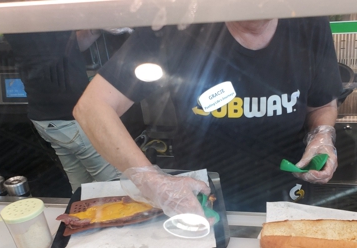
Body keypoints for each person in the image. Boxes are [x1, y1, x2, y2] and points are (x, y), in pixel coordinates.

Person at [73, 17, 342, 216]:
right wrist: (152, 183)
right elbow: (92, 107)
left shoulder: (309, 20)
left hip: (286, 193)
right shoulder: (180, 24)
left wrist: (322, 136)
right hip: (203, 197)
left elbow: (321, 105)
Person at [4, 30, 121, 192]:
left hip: (46, 119)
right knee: (118, 188)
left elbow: (71, 44)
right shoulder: (41, 14)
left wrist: (99, 26)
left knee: (82, 190)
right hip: (71, 119)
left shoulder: (21, 20)